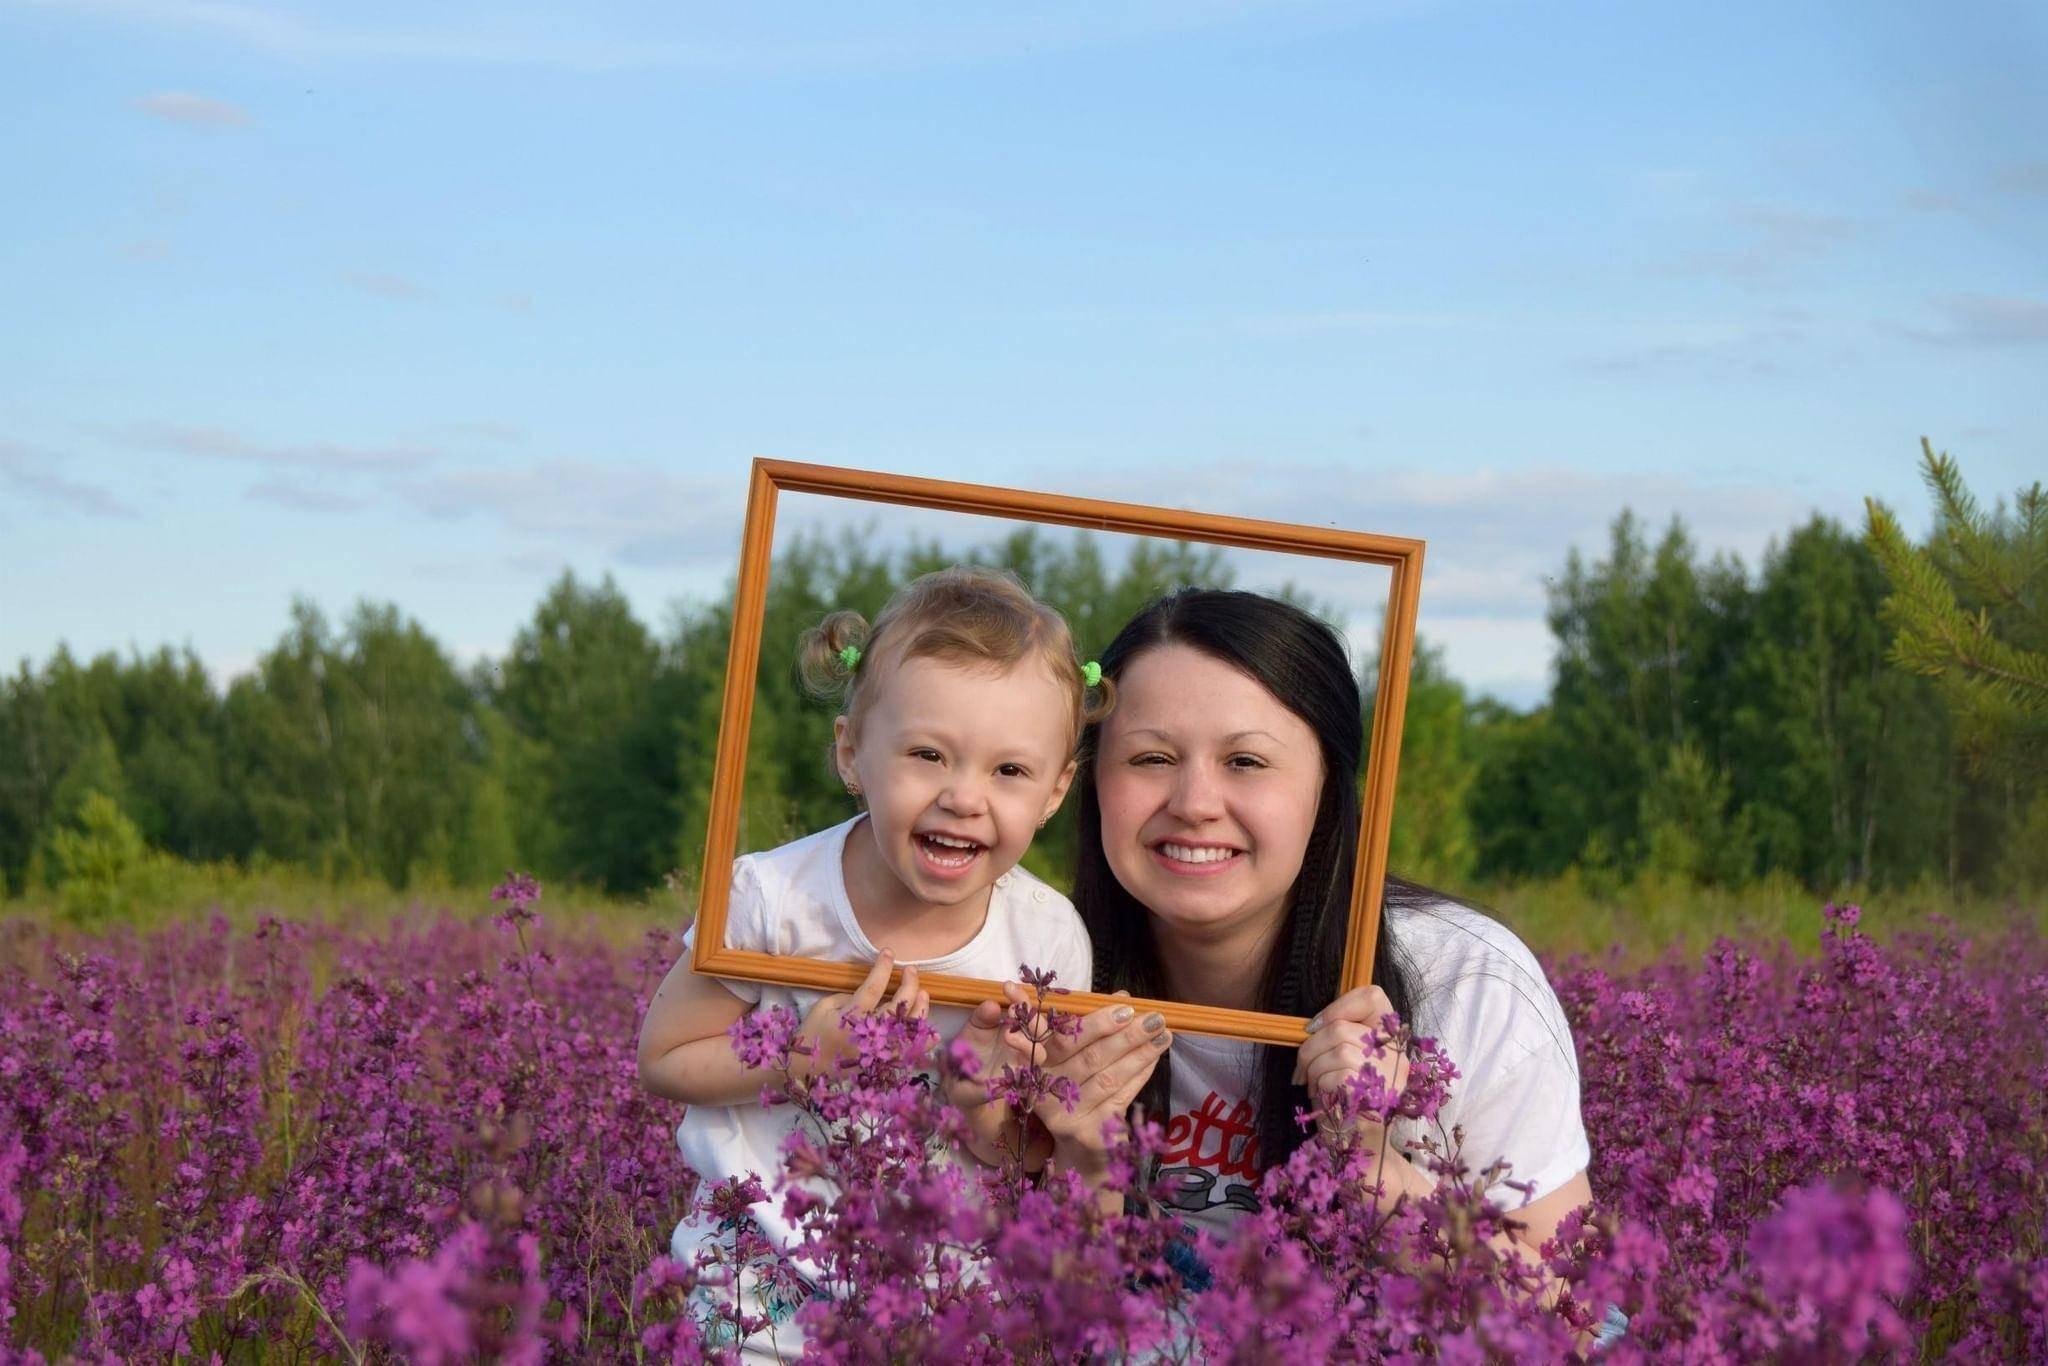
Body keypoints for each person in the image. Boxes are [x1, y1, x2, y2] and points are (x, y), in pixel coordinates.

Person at [973, 587, 1594, 1272]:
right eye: (1151, 759)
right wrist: (1068, 1161)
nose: (1195, 805)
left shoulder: (1464, 983)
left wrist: (1376, 1174)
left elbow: (1572, 1311)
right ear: (1086, 783)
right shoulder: (1031, 975)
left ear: (1328, 787)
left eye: (1246, 762)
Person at [636, 564, 1107, 1348]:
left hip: (947, 1291)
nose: (965, 795)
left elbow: (1023, 1154)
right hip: (761, 1273)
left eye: (1010, 770)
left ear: (1055, 792)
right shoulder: (771, 898)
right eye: (928, 754)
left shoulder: (1047, 940)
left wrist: (978, 1100)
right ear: (853, 754)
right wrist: (799, 1056)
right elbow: (664, 1056)